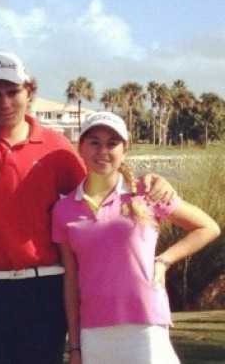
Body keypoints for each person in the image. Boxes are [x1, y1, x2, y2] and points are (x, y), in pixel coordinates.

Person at [0, 52, 173, 364]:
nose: (4, 103)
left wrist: (149, 181)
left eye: (13, 92)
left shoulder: (55, 147)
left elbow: (95, 195)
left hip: (44, 290)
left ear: (28, 92)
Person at [52, 112, 220, 364]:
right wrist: (75, 348)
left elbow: (207, 227)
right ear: (81, 147)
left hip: (145, 324)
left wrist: (164, 260)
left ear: (125, 149)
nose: (103, 151)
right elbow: (71, 282)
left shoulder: (146, 192)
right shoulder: (64, 210)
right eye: (94, 142)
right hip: (93, 331)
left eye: (112, 143)